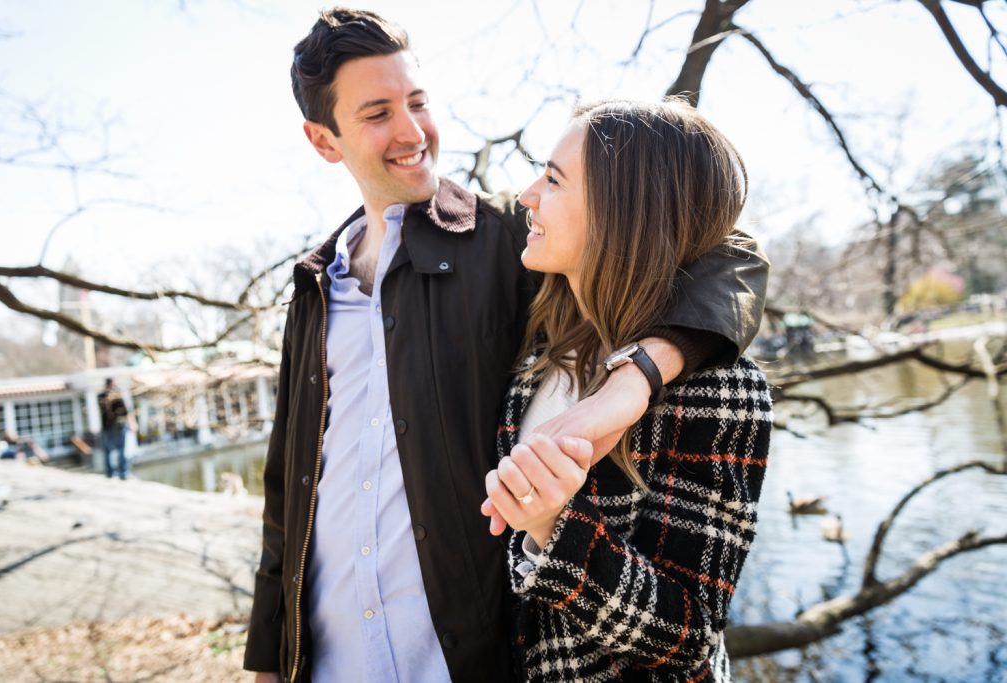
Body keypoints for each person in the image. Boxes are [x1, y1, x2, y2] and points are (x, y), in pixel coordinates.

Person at [244, 9, 769, 683]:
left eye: (419, 102)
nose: (410, 131)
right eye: (377, 113)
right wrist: (268, 660)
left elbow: (725, 253)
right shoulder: (314, 287)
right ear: (324, 140)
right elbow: (288, 493)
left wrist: (637, 374)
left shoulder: (507, 240)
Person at [481, 99, 772, 681]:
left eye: (554, 180)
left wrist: (551, 528)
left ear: (623, 212)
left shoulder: (720, 389)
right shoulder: (538, 356)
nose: (526, 195)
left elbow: (688, 638)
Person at [98, 378, 135, 479]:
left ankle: (111, 473)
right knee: (119, 450)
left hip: (109, 428)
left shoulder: (102, 397)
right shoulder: (115, 397)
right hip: (116, 428)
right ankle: (122, 473)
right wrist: (132, 424)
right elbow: (126, 412)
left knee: (109, 451)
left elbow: (125, 412)